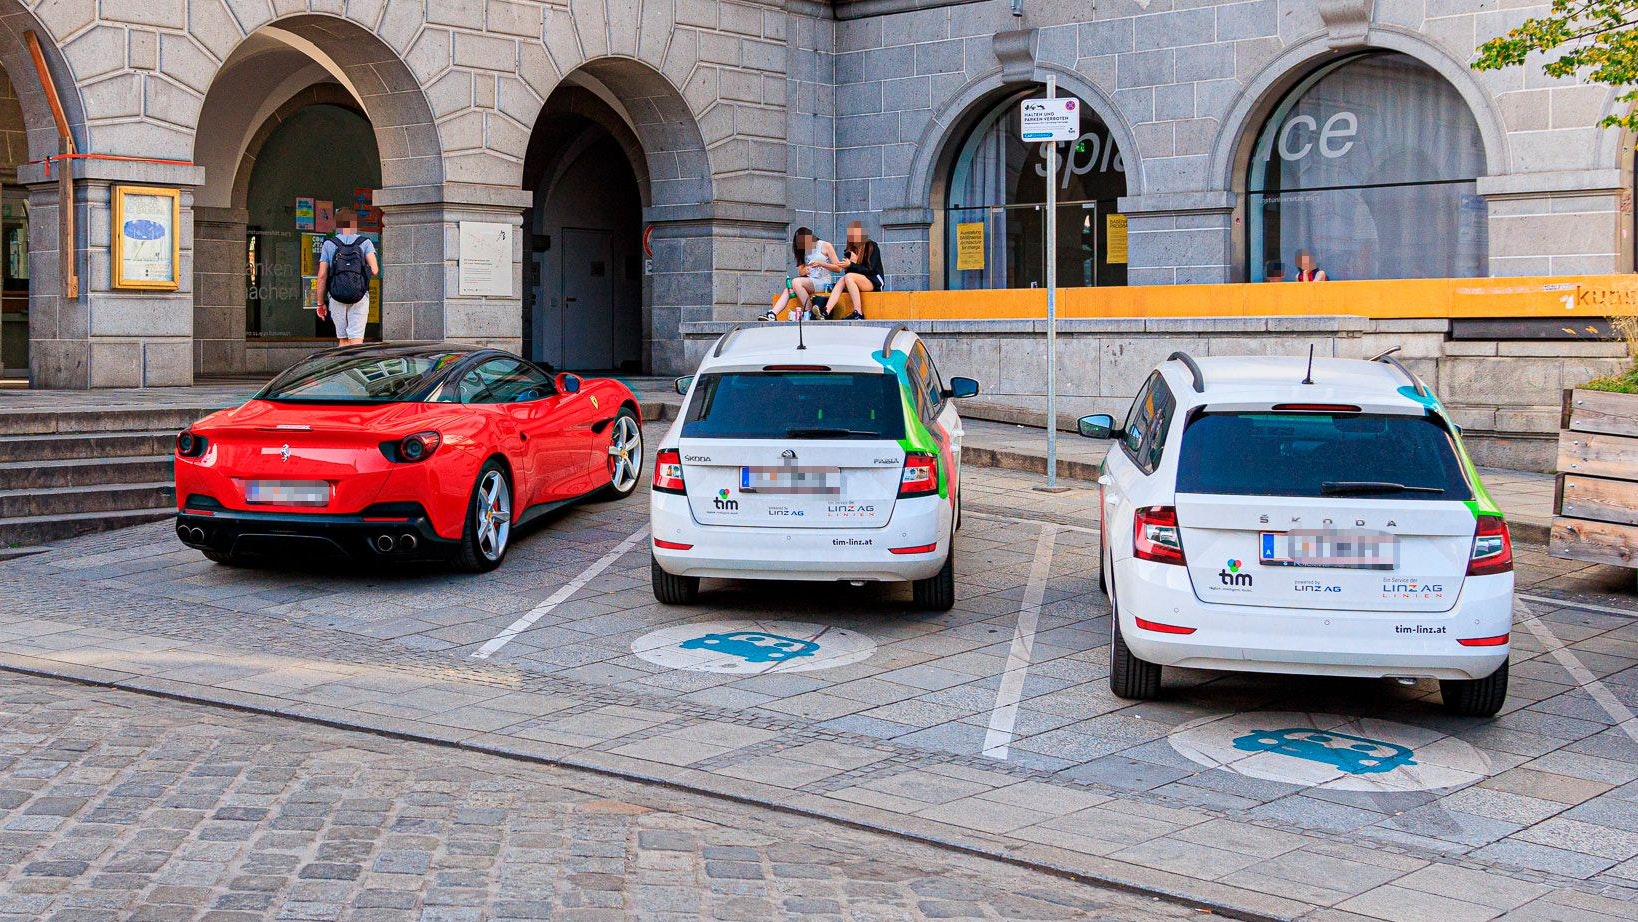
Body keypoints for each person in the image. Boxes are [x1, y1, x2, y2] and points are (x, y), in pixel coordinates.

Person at [316, 208, 379, 346]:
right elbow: (374, 270)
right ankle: (354, 367)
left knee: (343, 340)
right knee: (356, 340)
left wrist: (320, 303)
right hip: (359, 296)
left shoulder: (329, 244)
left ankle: (343, 367)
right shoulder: (365, 243)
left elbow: (322, 276)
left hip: (337, 296)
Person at [764, 227, 841, 321]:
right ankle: (773, 313)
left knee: (795, 282)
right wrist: (805, 270)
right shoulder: (803, 250)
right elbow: (800, 271)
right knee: (788, 289)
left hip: (823, 281)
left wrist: (821, 263)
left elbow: (838, 268)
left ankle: (808, 310)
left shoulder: (825, 246)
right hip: (810, 280)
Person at [835, 220, 885, 320]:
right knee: (843, 279)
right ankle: (825, 311)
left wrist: (852, 264)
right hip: (859, 282)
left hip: (874, 281)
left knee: (848, 277)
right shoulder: (850, 250)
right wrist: (849, 265)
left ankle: (858, 313)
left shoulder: (871, 246)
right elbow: (849, 274)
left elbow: (870, 270)